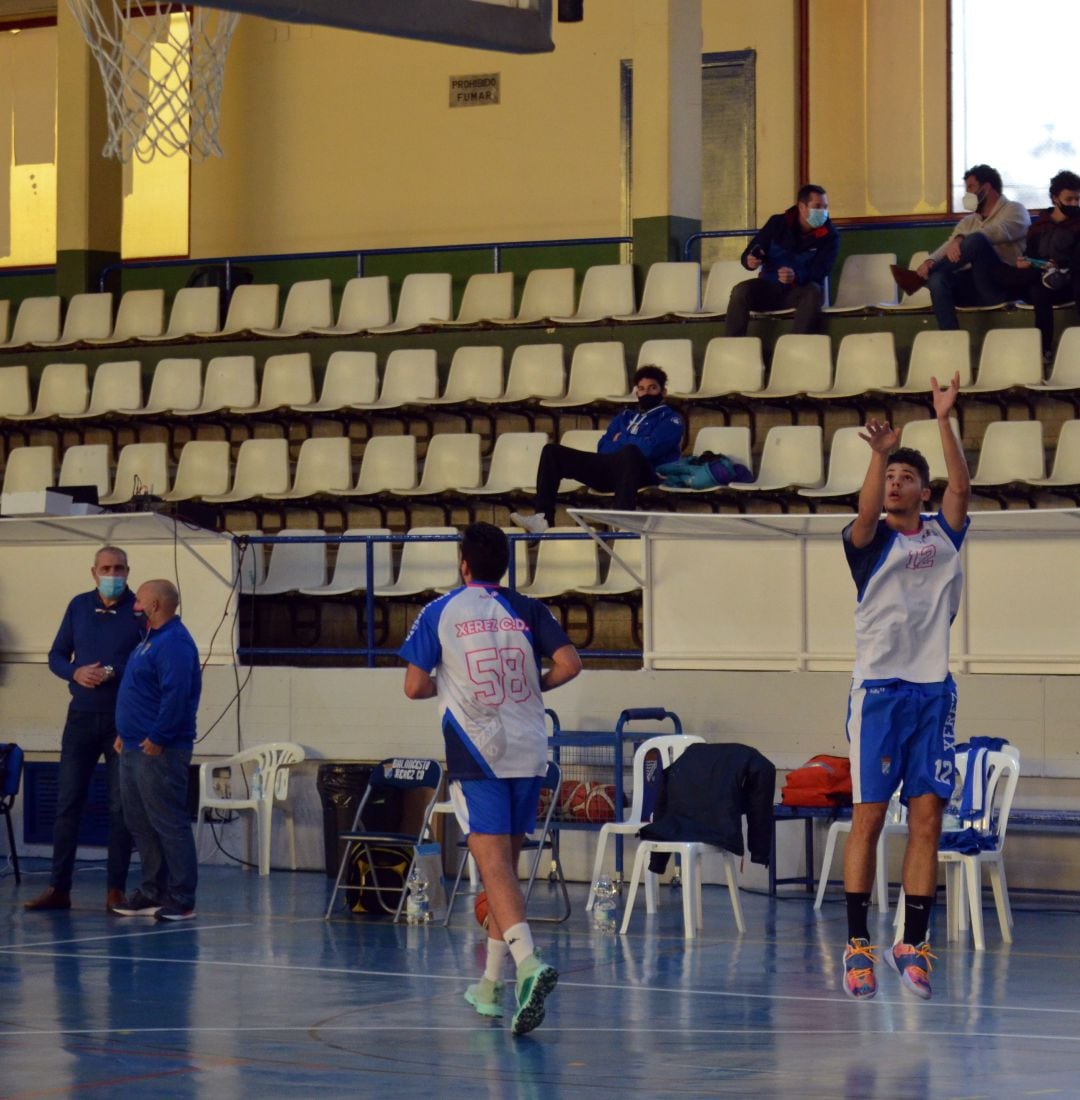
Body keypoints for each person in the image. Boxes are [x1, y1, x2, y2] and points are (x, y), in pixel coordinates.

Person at [400, 522, 582, 1036]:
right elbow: (570, 664)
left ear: (463, 565)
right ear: (505, 564)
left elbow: (413, 686)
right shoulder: (529, 608)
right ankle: (488, 984)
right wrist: (531, 686)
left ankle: (528, 965)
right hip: (530, 747)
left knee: (492, 865)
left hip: (477, 751)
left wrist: (451, 678)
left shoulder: (440, 611)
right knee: (506, 869)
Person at [840, 372, 971, 1002]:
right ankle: (857, 943)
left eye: (904, 477)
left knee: (928, 818)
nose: (895, 483)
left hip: (932, 692)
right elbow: (865, 511)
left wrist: (943, 419)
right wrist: (877, 453)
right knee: (868, 818)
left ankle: (912, 942)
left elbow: (963, 488)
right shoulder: (868, 543)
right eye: (890, 477)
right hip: (880, 695)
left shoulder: (944, 535)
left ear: (922, 490)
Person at [25, 546, 144, 913]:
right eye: (106, 568)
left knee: (120, 806)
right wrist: (75, 672)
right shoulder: (78, 606)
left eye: (119, 568)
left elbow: (147, 660)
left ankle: (115, 890)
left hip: (122, 720)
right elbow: (56, 656)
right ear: (93, 572)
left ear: (128, 570)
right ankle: (59, 887)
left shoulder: (141, 609)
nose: (113, 574)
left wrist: (112, 671)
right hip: (80, 716)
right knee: (68, 803)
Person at [112, 579, 203, 922]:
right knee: (140, 821)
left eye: (139, 599)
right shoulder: (149, 641)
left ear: (155, 606)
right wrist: (125, 732)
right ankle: (152, 891)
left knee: (168, 822)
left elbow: (176, 695)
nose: (134, 604)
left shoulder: (175, 643)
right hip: (134, 745)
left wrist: (159, 735)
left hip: (159, 749)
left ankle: (181, 897)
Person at [509, 364, 683, 533]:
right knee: (552, 452)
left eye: (652, 388)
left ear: (663, 392)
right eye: (642, 388)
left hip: (645, 473)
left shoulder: (670, 419)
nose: (646, 393)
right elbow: (603, 447)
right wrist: (636, 441)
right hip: (611, 470)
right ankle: (543, 518)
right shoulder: (625, 416)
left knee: (630, 452)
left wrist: (622, 439)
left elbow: (649, 450)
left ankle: (623, 520)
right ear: (636, 392)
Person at [893, 164, 1030, 330]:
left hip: (1000, 285)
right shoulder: (969, 221)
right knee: (937, 280)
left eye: (971, 187)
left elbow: (1000, 232)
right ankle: (951, 337)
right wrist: (930, 261)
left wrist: (962, 238)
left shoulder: (1015, 210)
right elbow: (949, 245)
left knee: (978, 240)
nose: (967, 194)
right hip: (972, 287)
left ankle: (919, 279)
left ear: (986, 188)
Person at [725, 183, 839, 338]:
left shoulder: (830, 235)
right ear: (801, 207)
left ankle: (796, 346)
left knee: (813, 291)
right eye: (817, 206)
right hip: (769, 288)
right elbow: (750, 251)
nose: (823, 212)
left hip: (799, 292)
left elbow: (821, 270)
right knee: (741, 291)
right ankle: (733, 345)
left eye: (825, 207)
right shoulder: (776, 223)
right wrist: (749, 260)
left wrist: (796, 275)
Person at [993, 170, 1080, 364]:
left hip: (1068, 281)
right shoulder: (1039, 226)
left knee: (1047, 286)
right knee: (1034, 286)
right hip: (1040, 278)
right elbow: (1030, 255)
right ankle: (1043, 351)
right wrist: (1026, 262)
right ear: (1055, 198)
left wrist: (1061, 266)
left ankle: (1044, 351)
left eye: (1077, 199)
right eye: (1069, 199)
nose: (1074, 204)